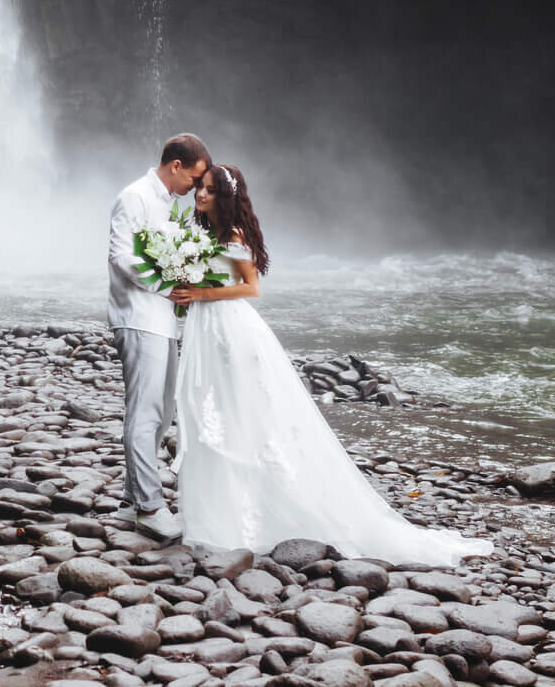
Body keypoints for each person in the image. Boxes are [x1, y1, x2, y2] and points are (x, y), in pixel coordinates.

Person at [169, 163, 492, 563]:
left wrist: (201, 294)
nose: (201, 195)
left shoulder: (233, 234)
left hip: (232, 334)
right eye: (200, 188)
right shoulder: (201, 234)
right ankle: (216, 514)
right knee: (211, 415)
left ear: (227, 197)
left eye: (211, 191)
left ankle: (250, 518)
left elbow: (251, 288)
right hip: (207, 331)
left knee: (242, 418)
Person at [106, 133, 212, 542]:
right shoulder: (134, 196)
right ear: (176, 166)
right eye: (195, 177)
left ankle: (132, 500)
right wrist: (169, 284)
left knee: (163, 412)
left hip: (161, 319)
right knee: (146, 412)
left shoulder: (169, 204)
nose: (196, 187)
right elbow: (122, 255)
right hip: (136, 315)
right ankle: (150, 507)